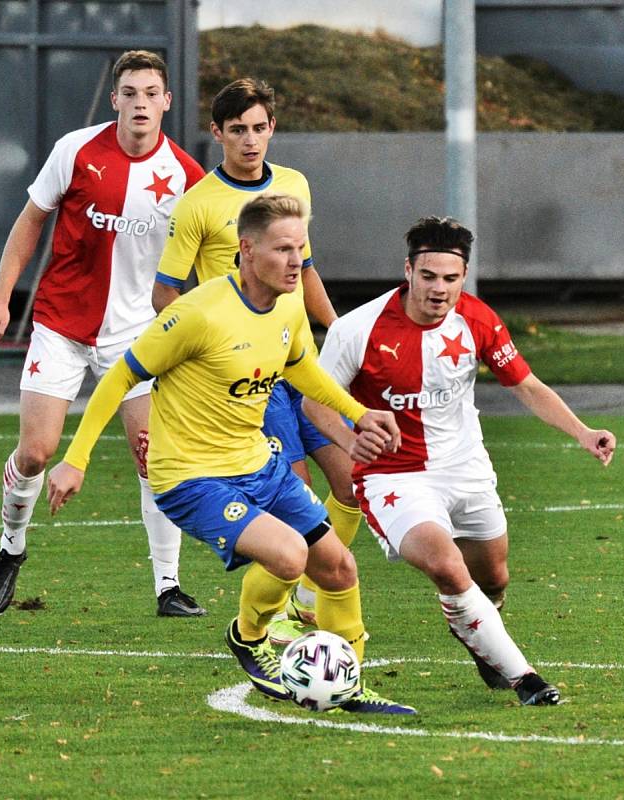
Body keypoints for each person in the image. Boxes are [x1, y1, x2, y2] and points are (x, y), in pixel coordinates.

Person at [46, 194, 415, 714]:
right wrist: (76, 458)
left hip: (257, 464)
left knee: (338, 568)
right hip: (191, 478)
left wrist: (358, 414)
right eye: (284, 249)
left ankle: (348, 685)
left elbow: (301, 368)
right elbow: (122, 376)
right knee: (290, 555)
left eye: (301, 248)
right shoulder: (198, 314)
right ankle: (249, 637)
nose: (296, 262)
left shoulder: (287, 304)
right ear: (246, 249)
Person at [302, 215, 617, 706]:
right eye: (428, 276)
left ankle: (478, 635)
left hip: (465, 467)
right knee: (449, 568)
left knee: (493, 578)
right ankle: (526, 680)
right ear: (408, 271)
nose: (439, 289)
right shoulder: (357, 329)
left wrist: (583, 431)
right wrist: (348, 441)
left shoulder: (478, 319)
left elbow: (527, 387)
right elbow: (314, 403)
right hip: (393, 477)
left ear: (463, 276)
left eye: (450, 279)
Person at [0, 50, 207, 619]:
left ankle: (168, 587)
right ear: (115, 99)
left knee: (154, 456)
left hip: (138, 335)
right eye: (130, 92)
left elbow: (211, 257)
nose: (140, 104)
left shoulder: (185, 176)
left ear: (167, 102)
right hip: (61, 323)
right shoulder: (75, 150)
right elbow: (30, 220)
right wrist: (1, 298)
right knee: (36, 451)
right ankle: (11, 547)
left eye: (151, 93)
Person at [152, 78, 360, 641]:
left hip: (301, 360)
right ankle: (281, 616)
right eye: (237, 129)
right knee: (291, 494)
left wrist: (339, 334)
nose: (250, 140)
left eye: (259, 127)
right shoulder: (199, 202)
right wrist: (207, 348)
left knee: (350, 481)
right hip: (248, 378)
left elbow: (307, 269)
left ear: (273, 128)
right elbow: (166, 292)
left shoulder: (293, 187)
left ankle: (313, 592)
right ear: (217, 133)